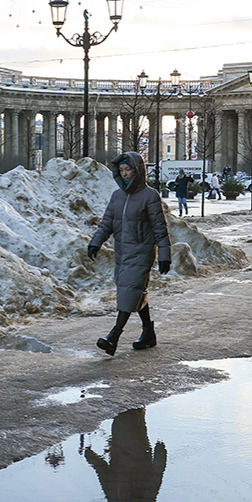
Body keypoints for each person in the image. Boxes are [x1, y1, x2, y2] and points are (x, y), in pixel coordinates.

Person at [87, 152, 172, 355]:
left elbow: (160, 228)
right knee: (133, 291)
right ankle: (148, 333)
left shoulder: (150, 196)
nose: (124, 174)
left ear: (138, 170)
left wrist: (165, 255)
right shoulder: (117, 196)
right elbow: (107, 223)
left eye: (128, 170)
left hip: (142, 251)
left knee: (129, 291)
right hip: (123, 252)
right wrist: (96, 242)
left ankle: (113, 337)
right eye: (122, 170)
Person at [84, 409, 168, 502]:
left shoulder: (118, 501)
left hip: (129, 444)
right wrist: (160, 454)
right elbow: (156, 476)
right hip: (130, 443)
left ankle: (132, 398)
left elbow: (103, 472)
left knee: (131, 413)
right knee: (129, 414)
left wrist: (92, 458)